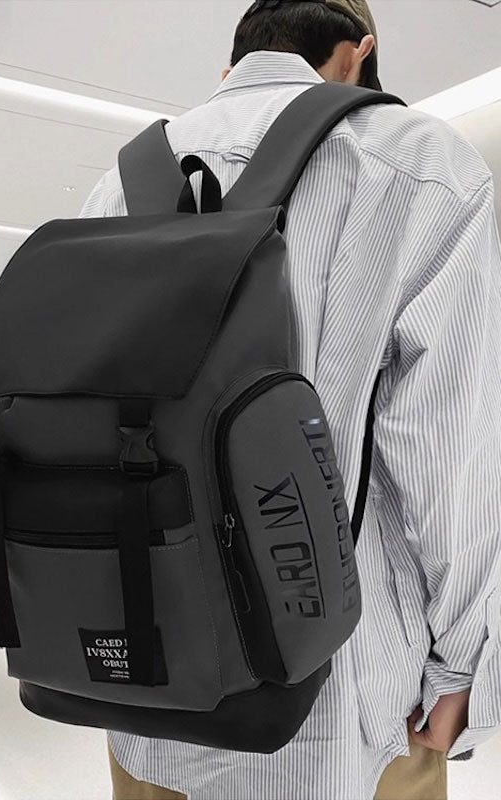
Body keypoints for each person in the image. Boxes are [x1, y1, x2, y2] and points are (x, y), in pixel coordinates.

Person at [79, 1, 501, 798]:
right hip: (339, 701)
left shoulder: (117, 184)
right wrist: (466, 663)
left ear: (233, 62)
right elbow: (449, 448)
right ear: (358, 53)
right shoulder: (416, 162)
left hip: (146, 676)